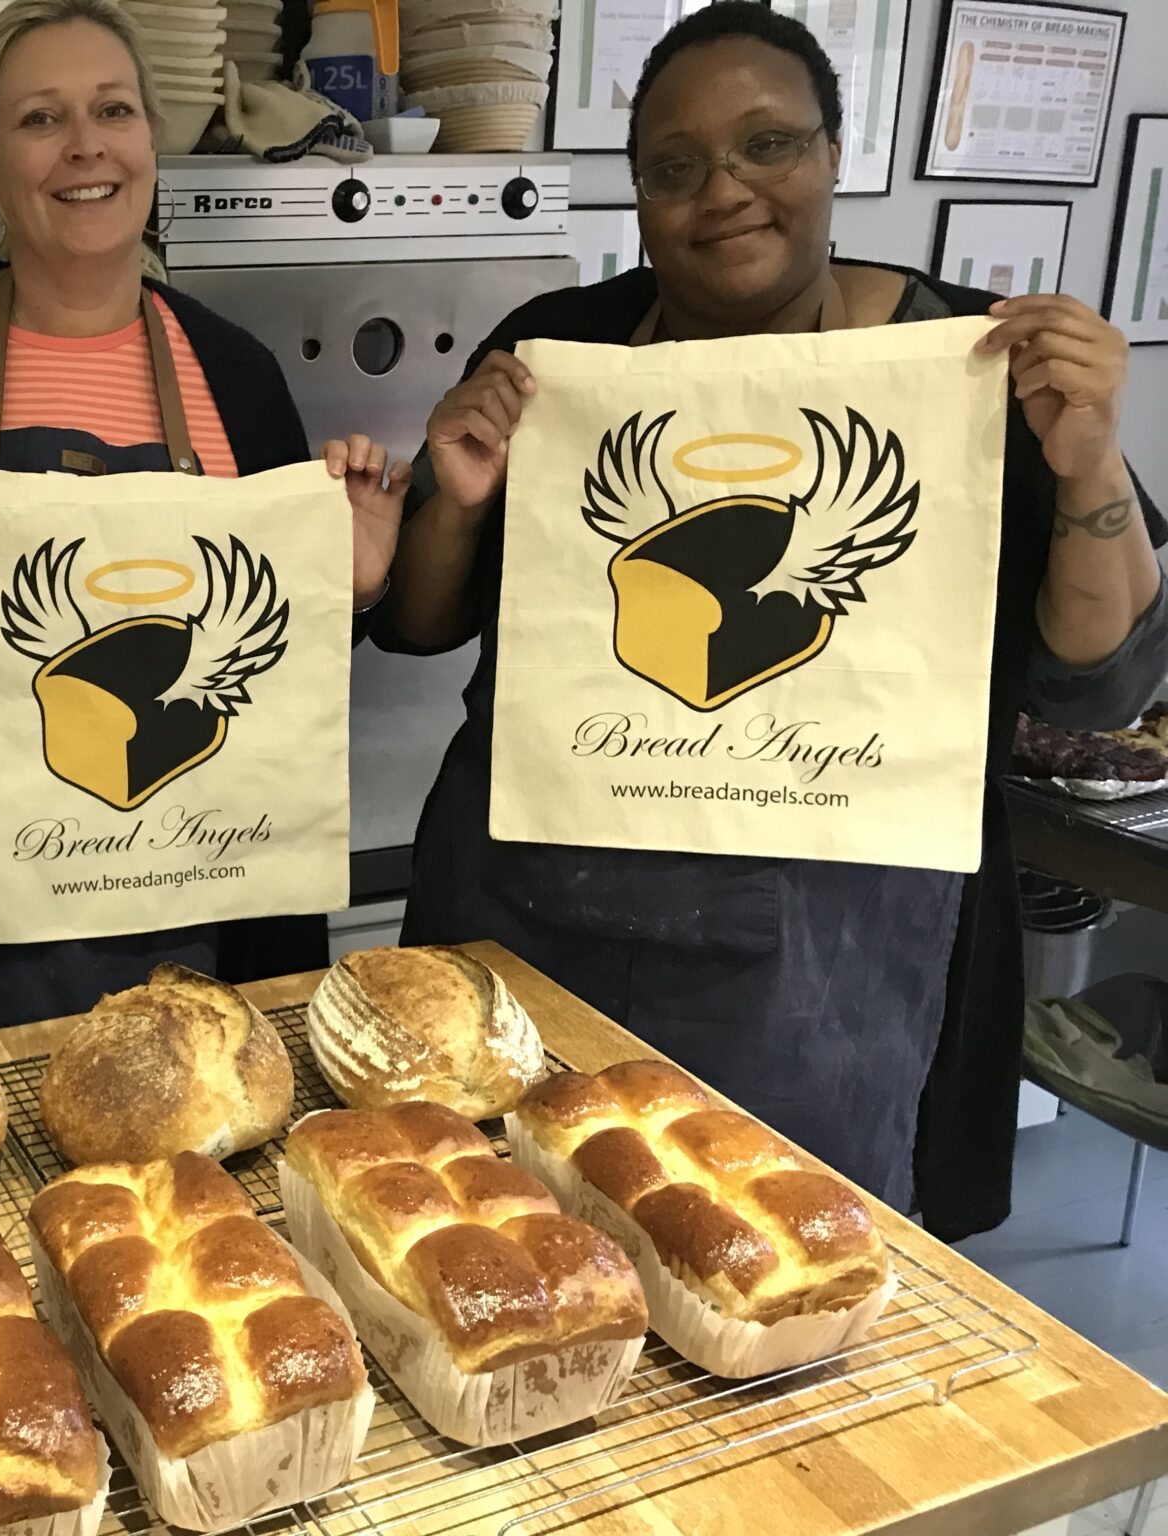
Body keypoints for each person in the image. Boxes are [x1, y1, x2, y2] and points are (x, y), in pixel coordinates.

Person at [378, 3, 1166, 1235]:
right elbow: (423, 623)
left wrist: (1087, 468)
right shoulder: (553, 352)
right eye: (674, 167)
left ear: (831, 152)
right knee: (477, 1235)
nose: (723, 192)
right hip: (521, 907)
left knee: (774, 1267)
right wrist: (456, 501)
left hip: (818, 963)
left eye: (765, 147)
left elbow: (1096, 684)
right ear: (638, 196)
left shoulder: (966, 365)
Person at [0, 0, 408, 1036]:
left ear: (150, 143)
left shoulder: (234, 376)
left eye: (112, 110)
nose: (84, 146)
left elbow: (272, 690)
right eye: (39, 119)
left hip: (203, 916)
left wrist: (348, 589)